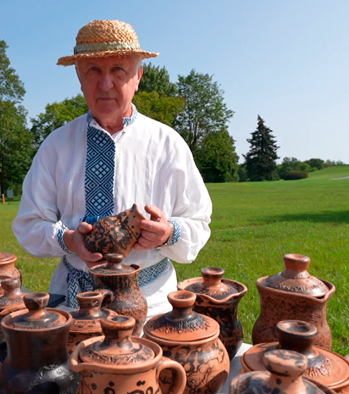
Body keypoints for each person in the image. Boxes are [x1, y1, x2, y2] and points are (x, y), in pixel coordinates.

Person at [12, 20, 212, 318]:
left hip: (153, 305)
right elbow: (29, 225)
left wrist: (168, 232)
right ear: (80, 78)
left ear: (138, 77)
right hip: (74, 303)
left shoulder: (167, 143)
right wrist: (69, 239)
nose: (105, 84)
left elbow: (199, 221)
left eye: (118, 70)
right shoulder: (56, 145)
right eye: (93, 70)